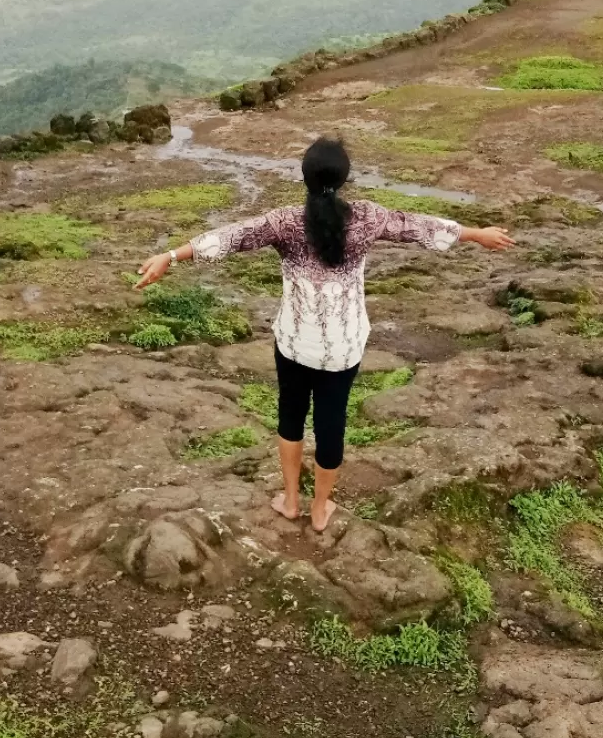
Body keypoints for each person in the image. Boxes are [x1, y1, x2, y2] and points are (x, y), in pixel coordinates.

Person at [135, 137, 514, 531]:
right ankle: (320, 510)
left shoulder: (284, 223)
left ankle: (291, 501)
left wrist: (171, 255)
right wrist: (474, 233)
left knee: (291, 417)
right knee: (331, 425)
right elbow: (416, 226)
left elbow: (232, 236)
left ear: (305, 178)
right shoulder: (367, 218)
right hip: (344, 348)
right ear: (345, 178)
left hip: (296, 344)